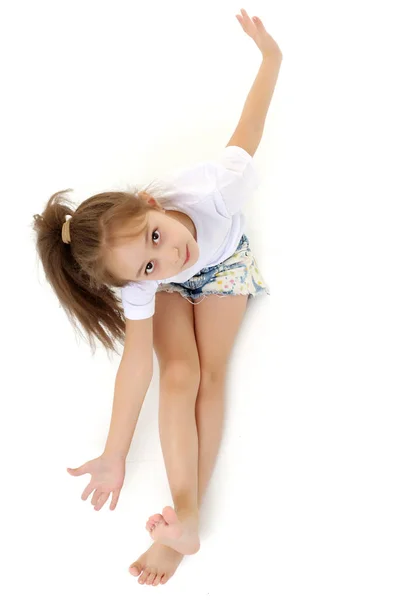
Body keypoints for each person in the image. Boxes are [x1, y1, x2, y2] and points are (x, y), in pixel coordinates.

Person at [32, 8, 282, 587]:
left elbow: (251, 123)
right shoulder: (148, 274)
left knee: (210, 374)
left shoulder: (216, 189)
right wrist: (115, 451)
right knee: (177, 373)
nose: (170, 255)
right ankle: (182, 523)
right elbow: (135, 362)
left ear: (150, 201)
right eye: (148, 262)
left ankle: (185, 516)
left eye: (155, 236)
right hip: (174, 296)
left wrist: (271, 57)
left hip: (225, 266)